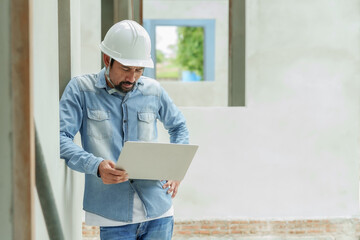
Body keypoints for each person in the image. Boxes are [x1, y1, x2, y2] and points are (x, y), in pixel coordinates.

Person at [59, 20, 189, 239]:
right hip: (112, 216)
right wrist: (96, 166)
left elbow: (179, 127)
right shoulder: (81, 90)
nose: (132, 78)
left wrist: (176, 171)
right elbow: (60, 138)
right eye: (126, 69)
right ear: (107, 59)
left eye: (139, 70)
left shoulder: (153, 91)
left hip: (159, 210)